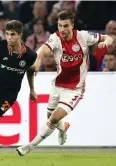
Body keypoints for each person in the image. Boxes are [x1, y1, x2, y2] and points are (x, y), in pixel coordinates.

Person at [16, 11, 113, 156]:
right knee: (50, 116)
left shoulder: (83, 36)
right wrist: (37, 60)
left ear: (72, 25)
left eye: (66, 26)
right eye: (60, 26)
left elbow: (109, 38)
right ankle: (63, 128)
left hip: (75, 89)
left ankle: (29, 146)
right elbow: (42, 50)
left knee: (54, 117)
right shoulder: (55, 38)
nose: (62, 29)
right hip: (58, 85)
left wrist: (105, 42)